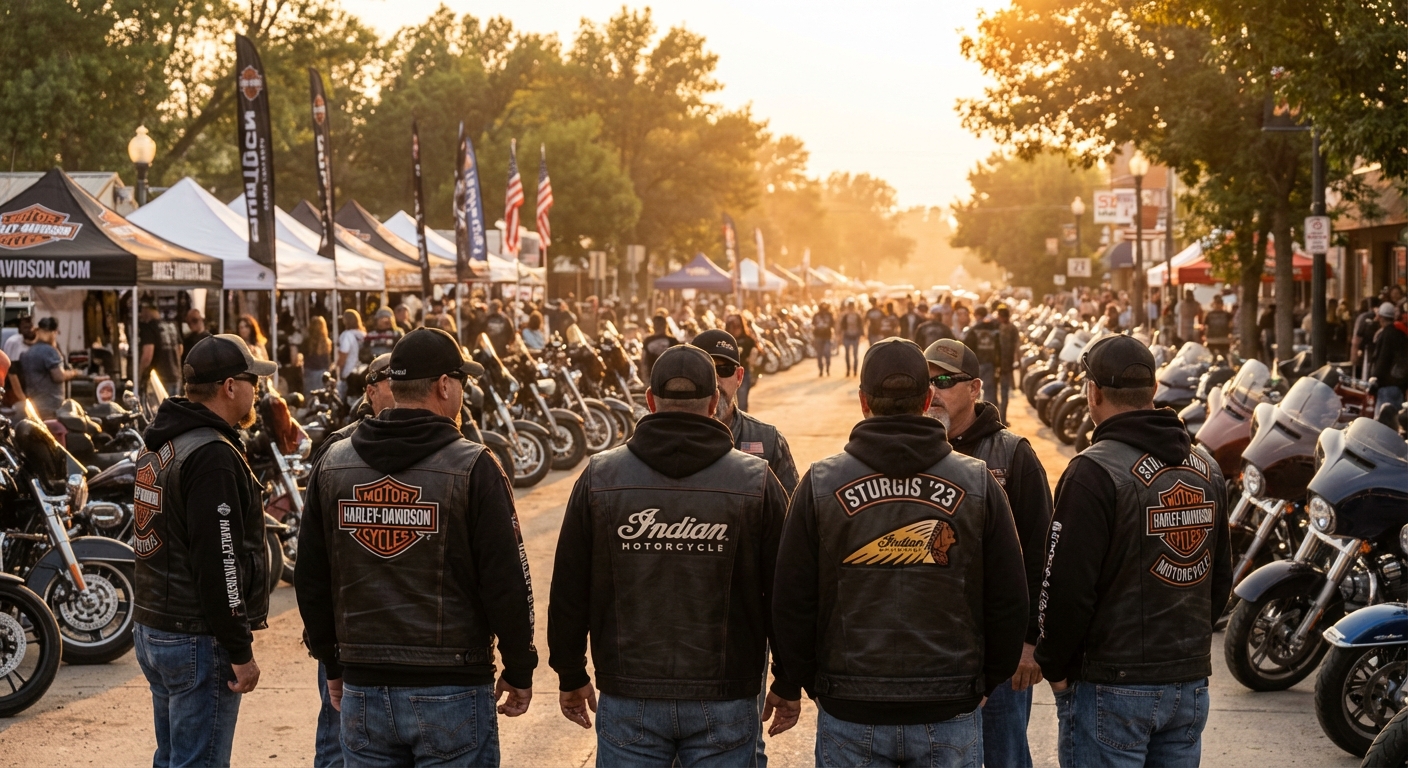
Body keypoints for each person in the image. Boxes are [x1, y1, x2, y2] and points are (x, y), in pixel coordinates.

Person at [772, 338, 1029, 768]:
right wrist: (984, 681)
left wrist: (802, 680)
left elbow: (792, 599)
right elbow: (1009, 596)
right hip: (947, 706)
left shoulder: (821, 482)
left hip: (852, 707)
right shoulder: (977, 481)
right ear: (927, 398)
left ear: (863, 401)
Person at [296, 328, 536, 767]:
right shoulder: (474, 466)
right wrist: (520, 666)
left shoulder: (334, 462)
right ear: (444, 385)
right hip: (452, 685)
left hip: (363, 684)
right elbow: (506, 580)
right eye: (462, 381)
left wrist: (331, 660)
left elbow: (310, 576)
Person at [548, 344, 798, 765]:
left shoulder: (601, 476)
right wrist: (789, 681)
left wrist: (571, 673)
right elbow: (786, 594)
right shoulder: (755, 481)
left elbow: (569, 586)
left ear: (649, 400)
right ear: (714, 401)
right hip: (727, 695)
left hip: (630, 693)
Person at [1036, 334, 1232, 767]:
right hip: (1187, 682)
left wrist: (1054, 665)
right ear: (1154, 390)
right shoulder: (1207, 467)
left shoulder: (1093, 471)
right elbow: (1219, 580)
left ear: (1094, 392)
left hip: (1110, 684)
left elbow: (1067, 587)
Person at [134, 335, 276, 768]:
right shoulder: (211, 453)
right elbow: (219, 562)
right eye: (253, 381)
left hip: (155, 625)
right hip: (195, 633)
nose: (259, 390)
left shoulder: (164, 439)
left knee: (173, 758)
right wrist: (239, 650)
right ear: (229, 386)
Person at [924, 339, 1053, 767]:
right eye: (925, 381)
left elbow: (1041, 555)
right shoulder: (916, 451)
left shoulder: (1013, 454)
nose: (933, 391)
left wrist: (1030, 642)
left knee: (1005, 755)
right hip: (936, 650)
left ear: (976, 387)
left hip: (1000, 653)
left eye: (944, 380)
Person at [692, 329, 799, 494]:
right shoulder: (668, 441)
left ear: (739, 377)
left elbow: (791, 511)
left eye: (724, 369)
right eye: (705, 370)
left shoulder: (768, 441)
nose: (714, 379)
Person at [18, 317, 79, 418]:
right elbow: (58, 376)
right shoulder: (50, 351)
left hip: (33, 405)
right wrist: (74, 373)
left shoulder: (28, 352)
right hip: (51, 406)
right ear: (53, 333)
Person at [964, 305, 1003, 407]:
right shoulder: (994, 329)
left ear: (977, 315)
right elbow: (999, 347)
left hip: (976, 364)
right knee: (990, 392)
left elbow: (967, 347)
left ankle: (974, 415)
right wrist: (998, 364)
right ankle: (990, 415)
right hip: (990, 364)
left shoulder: (974, 329)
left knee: (974, 391)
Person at [1372, 302, 1408, 411]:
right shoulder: (1400, 333)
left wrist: (1375, 377)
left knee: (1383, 423)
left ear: (1381, 318)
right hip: (1399, 385)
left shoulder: (1386, 334)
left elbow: (1383, 358)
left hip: (1386, 385)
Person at [142, 305, 184, 391]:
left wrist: (139, 374)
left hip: (158, 377)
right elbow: (180, 348)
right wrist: (172, 361)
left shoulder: (149, 326)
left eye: (142, 311)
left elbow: (147, 354)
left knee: (159, 404)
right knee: (175, 403)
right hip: (175, 375)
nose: (141, 315)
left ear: (146, 310)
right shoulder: (172, 325)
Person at [724, 314, 759, 411]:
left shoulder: (748, 340)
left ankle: (742, 425)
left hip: (742, 374)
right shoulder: (724, 341)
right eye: (730, 325)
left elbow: (756, 352)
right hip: (725, 375)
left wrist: (753, 357)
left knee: (742, 405)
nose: (734, 329)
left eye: (736, 325)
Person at [335, 309, 365, 400]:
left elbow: (343, 354)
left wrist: (337, 369)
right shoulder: (363, 334)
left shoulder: (346, 335)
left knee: (348, 402)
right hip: (363, 371)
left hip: (349, 373)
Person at [640, 313, 679, 381]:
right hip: (669, 377)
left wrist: (644, 378)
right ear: (666, 325)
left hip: (653, 376)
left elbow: (643, 360)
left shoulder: (648, 340)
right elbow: (678, 360)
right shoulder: (673, 340)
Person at [302, 316, 333, 395]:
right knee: (322, 395)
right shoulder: (327, 342)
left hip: (310, 371)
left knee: (310, 395)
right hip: (323, 372)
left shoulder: (307, 341)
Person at [838, 298, 864, 377]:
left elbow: (861, 326)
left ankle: (855, 371)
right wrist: (840, 336)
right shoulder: (845, 315)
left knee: (855, 355)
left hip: (855, 336)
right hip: (847, 336)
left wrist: (861, 335)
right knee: (847, 355)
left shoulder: (857, 315)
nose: (851, 307)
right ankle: (848, 370)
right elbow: (842, 326)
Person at [812, 301, 835, 376]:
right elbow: (813, 324)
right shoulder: (816, 315)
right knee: (819, 355)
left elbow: (833, 324)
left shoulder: (830, 315)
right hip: (818, 337)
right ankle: (821, 370)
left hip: (827, 337)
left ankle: (827, 369)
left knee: (827, 353)